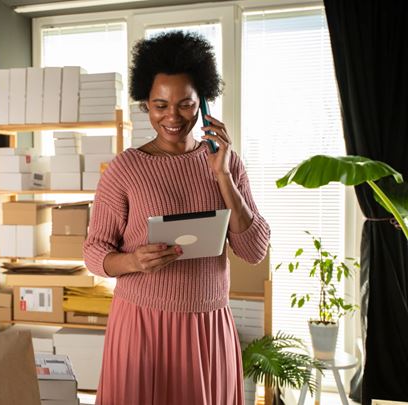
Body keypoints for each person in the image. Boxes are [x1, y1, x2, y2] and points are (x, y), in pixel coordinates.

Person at [83, 31, 271, 405]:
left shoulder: (226, 163)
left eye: (185, 105)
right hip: (142, 325)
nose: (172, 117)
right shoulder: (125, 169)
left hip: (207, 325)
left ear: (202, 103)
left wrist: (223, 175)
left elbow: (254, 250)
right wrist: (132, 261)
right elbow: (94, 252)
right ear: (145, 105)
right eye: (159, 105)